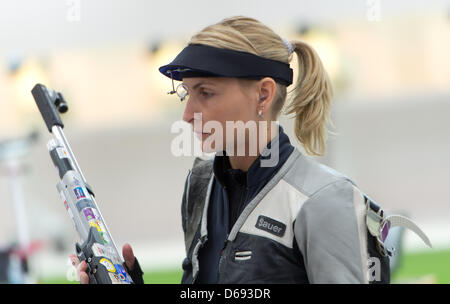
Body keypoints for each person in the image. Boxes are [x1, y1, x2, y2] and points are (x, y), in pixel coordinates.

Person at [71, 15, 428, 284]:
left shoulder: (323, 200)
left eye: (205, 93)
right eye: (186, 93)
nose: (188, 113)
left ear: (263, 94)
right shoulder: (201, 183)